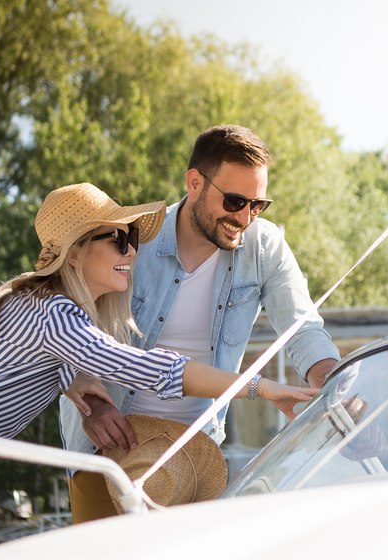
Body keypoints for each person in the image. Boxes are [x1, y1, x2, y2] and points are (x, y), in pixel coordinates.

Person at [0, 183, 316, 560]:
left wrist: (85, 395)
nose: (131, 251)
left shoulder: (56, 310)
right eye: (116, 239)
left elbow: (52, 366)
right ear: (73, 252)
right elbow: (150, 368)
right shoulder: (55, 315)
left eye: (132, 239)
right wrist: (264, 388)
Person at [59, 124, 341, 522]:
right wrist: (88, 403)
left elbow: (303, 327)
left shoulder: (265, 248)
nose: (245, 217)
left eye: (258, 205)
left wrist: (332, 386)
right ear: (195, 182)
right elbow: (66, 323)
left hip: (194, 461)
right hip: (104, 448)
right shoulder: (132, 239)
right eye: (235, 200)